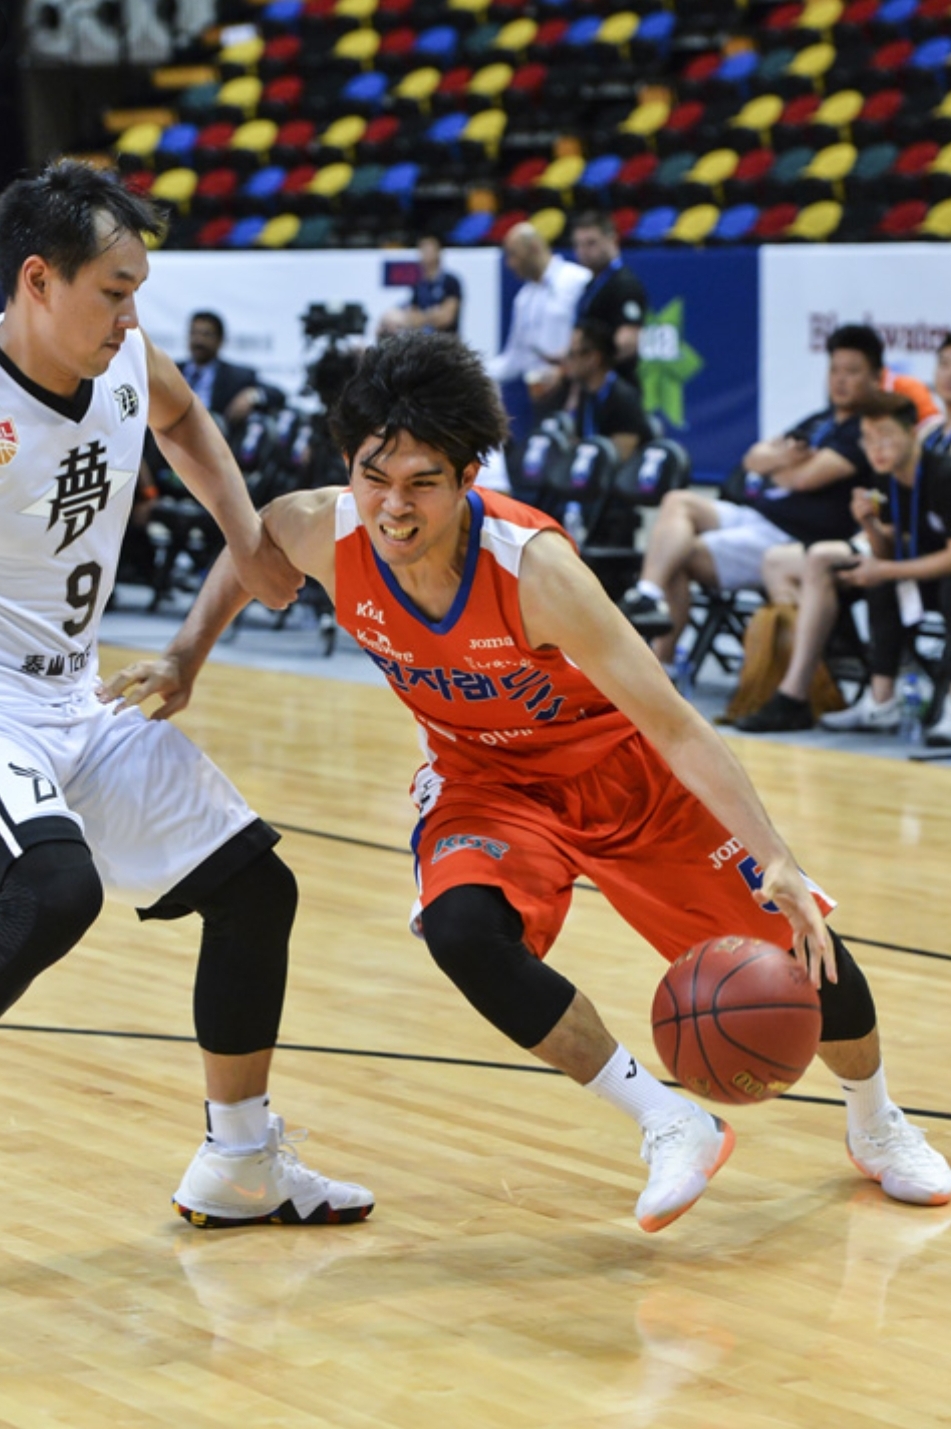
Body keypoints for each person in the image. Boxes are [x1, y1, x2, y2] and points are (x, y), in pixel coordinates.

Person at [108, 332, 951, 1232]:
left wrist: (773, 855)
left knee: (803, 949)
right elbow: (254, 551)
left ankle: (876, 1121)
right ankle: (669, 1121)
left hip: (624, 777)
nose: (393, 506)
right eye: (373, 477)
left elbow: (674, 723)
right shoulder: (320, 525)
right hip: (484, 781)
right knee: (461, 930)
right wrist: (185, 654)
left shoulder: (536, 570)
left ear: (468, 475)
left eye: (422, 482)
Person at [0, 159, 373, 1227]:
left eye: (138, 292)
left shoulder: (125, 361)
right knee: (54, 892)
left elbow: (182, 416)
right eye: (114, 291)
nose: (132, 315)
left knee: (257, 890)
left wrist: (245, 535)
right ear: (37, 280)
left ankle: (242, 1162)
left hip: (78, 702)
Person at [620, 323, 883, 656]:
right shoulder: (821, 420)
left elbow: (802, 479)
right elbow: (753, 459)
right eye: (835, 370)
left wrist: (779, 464)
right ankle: (647, 593)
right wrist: (784, 462)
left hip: (791, 537)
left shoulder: (867, 430)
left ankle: (661, 663)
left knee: (677, 554)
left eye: (852, 372)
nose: (840, 380)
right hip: (759, 515)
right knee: (677, 501)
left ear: (876, 376)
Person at [736, 392, 951, 741]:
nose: (876, 448)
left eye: (885, 437)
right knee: (877, 580)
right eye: (867, 439)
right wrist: (869, 525)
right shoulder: (886, 476)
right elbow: (887, 550)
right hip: (919, 572)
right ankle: (882, 701)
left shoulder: (943, 473)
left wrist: (884, 570)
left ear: (911, 433)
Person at [486, 221, 589, 421]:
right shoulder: (524, 299)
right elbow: (515, 358)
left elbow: (593, 338)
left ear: (533, 247)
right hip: (541, 398)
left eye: (514, 254)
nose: (510, 264)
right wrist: (474, 372)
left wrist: (564, 370)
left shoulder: (577, 280)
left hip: (575, 391)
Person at [571, 210, 649, 392]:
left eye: (591, 243)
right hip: (592, 386)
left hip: (617, 386)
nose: (584, 251)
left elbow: (628, 343)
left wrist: (590, 364)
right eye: (578, 245)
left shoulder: (624, 284)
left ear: (612, 240)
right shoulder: (591, 285)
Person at [560, 320, 654, 464]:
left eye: (571, 354)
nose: (566, 360)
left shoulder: (624, 399)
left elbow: (619, 459)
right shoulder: (586, 395)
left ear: (593, 358)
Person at [180, 310, 283, 430]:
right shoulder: (172, 370)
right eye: (194, 333)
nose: (199, 340)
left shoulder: (237, 376)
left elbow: (277, 395)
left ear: (220, 340)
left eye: (206, 335)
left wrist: (252, 396)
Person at [376, 234, 463, 338]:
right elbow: (412, 318)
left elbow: (446, 318)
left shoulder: (450, 281)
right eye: (423, 251)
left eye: (429, 250)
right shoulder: (418, 284)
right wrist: (432, 314)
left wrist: (422, 317)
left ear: (438, 252)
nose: (425, 254)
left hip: (446, 339)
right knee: (389, 318)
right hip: (424, 339)